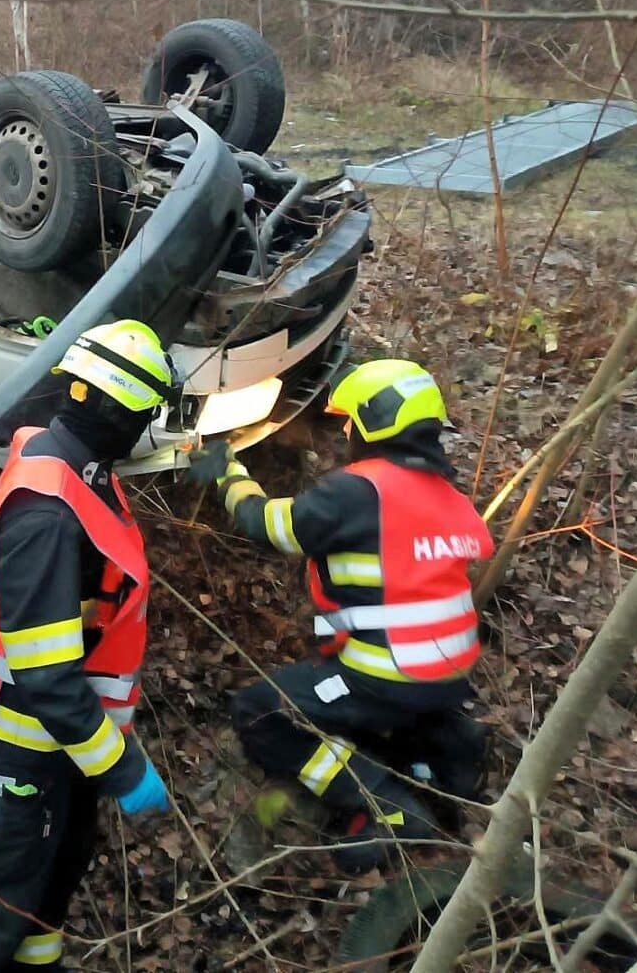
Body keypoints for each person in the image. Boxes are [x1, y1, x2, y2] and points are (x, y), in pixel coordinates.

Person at [0, 321, 176, 972]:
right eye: (144, 413)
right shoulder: (48, 515)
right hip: (25, 743)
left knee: (52, 878)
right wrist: (121, 767)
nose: (147, 428)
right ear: (117, 410)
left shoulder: (76, 466)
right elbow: (44, 677)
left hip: (65, 746)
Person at [190, 359, 494, 873]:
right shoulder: (449, 497)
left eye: (350, 422)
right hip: (451, 677)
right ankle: (444, 752)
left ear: (375, 422)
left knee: (262, 712)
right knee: (382, 712)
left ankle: (383, 804)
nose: (346, 433)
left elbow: (273, 526)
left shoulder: (361, 490)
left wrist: (226, 472)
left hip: (384, 677)